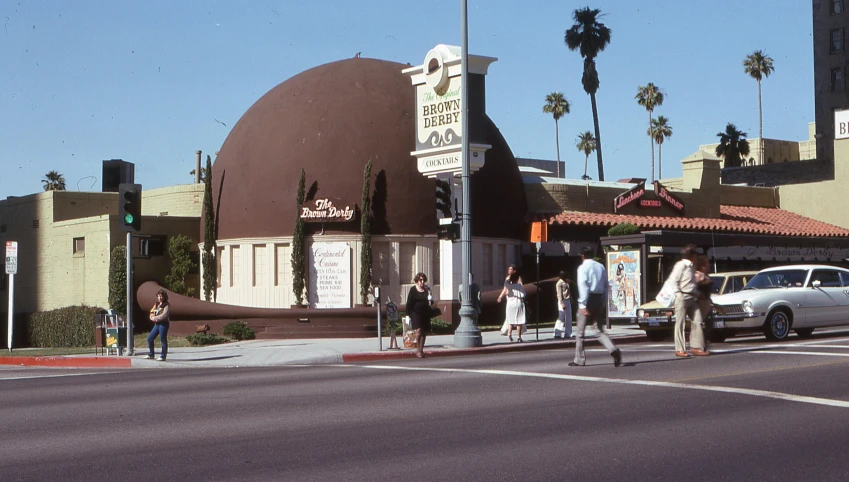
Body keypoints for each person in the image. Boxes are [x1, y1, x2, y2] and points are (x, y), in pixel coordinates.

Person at [569, 247, 622, 367]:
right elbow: (605, 285)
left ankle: (579, 359)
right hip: (599, 298)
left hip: (588, 298)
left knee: (580, 332)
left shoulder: (582, 268)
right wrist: (603, 301)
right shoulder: (600, 266)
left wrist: (583, 304)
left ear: (583, 256)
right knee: (598, 329)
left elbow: (583, 286)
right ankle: (613, 349)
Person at [666, 244, 708, 357]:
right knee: (680, 323)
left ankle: (696, 347)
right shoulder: (681, 265)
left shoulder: (692, 267)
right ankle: (680, 349)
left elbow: (691, 284)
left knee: (698, 320)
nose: (697, 257)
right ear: (691, 255)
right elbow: (673, 281)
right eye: (695, 255)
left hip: (692, 297)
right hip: (682, 297)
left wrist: (698, 294)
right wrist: (678, 295)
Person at [406, 272, 434, 358]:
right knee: (418, 331)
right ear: (417, 281)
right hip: (416, 312)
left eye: (423, 280)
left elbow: (430, 302)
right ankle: (418, 350)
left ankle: (421, 350)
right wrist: (407, 314)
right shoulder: (413, 290)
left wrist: (431, 300)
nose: (422, 282)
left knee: (424, 332)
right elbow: (409, 303)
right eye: (420, 280)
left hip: (425, 313)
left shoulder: (427, 290)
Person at [497, 265, 526, 342]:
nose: (509, 270)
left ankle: (509, 333)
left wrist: (500, 297)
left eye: (510, 269)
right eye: (508, 269)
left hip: (510, 302)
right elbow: (523, 294)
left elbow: (505, 288)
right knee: (519, 321)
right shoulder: (519, 284)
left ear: (514, 270)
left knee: (510, 319)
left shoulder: (507, 282)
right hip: (517, 302)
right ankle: (519, 337)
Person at [694, 255, 713, 355]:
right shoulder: (697, 275)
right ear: (702, 266)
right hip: (701, 303)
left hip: (707, 302)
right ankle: (700, 346)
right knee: (701, 325)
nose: (708, 266)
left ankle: (704, 345)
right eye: (707, 264)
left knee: (709, 324)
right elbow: (694, 288)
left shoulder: (705, 275)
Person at [147, 289, 171, 361]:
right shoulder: (156, 304)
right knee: (150, 338)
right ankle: (151, 354)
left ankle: (163, 356)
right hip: (157, 324)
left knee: (163, 339)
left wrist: (155, 318)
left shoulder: (166, 304)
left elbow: (164, 315)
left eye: (161, 296)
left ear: (164, 297)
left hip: (163, 324)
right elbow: (152, 311)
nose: (160, 298)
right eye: (158, 296)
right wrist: (151, 316)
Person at [554, 271, 573, 339]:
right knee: (561, 317)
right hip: (562, 300)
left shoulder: (566, 282)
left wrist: (571, 298)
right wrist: (562, 303)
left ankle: (568, 333)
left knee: (568, 317)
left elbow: (568, 291)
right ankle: (557, 333)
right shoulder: (559, 283)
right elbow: (559, 294)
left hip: (567, 300)